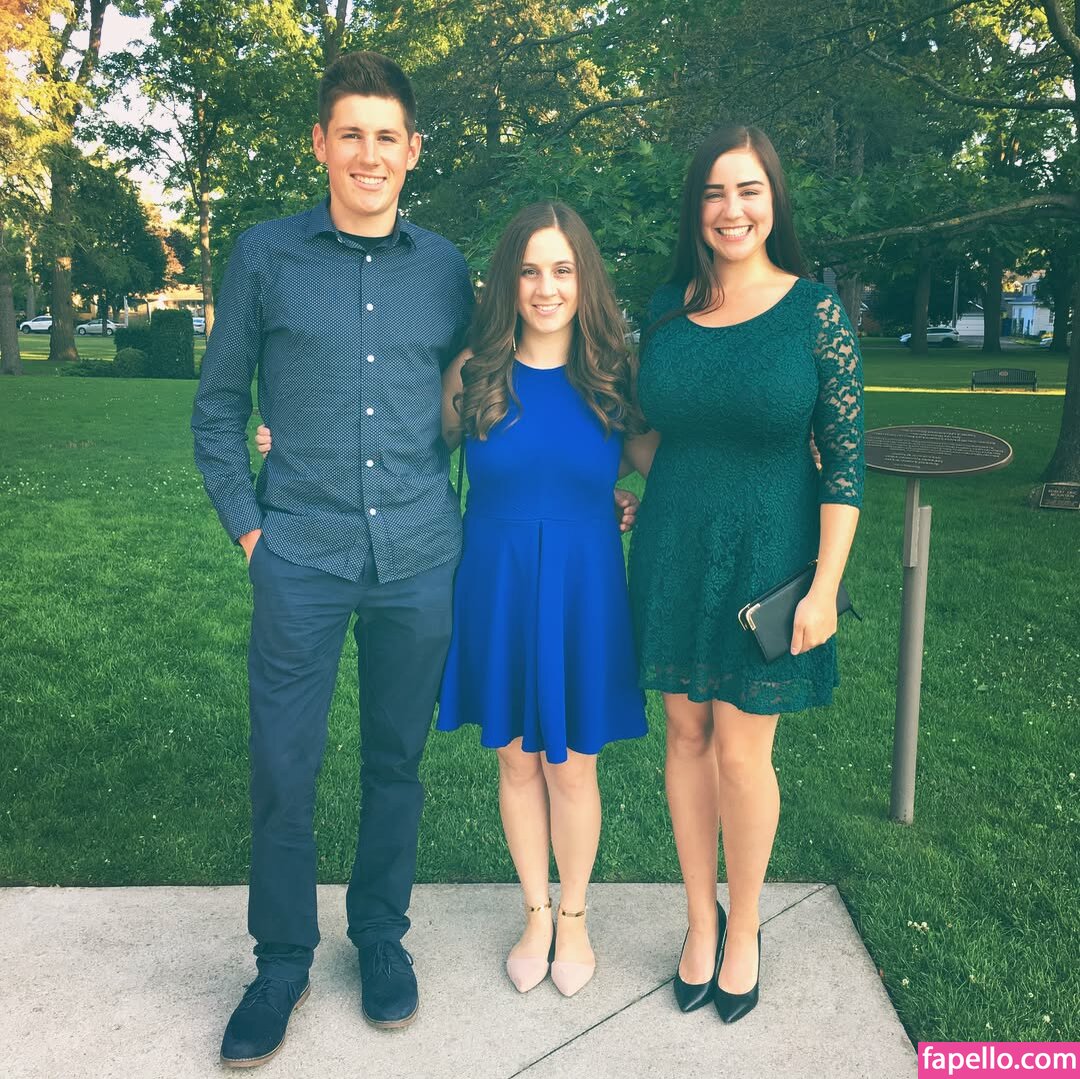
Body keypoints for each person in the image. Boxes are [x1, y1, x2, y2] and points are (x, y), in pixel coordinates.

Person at [257, 202, 648, 998]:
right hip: (496, 580)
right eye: (530, 270)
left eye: (563, 270)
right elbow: (400, 443)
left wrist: (776, 454)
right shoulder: (476, 370)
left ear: (585, 280)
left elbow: (663, 459)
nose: (546, 287)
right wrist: (289, 436)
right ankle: (534, 913)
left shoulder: (612, 373)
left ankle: (575, 916)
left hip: (582, 587)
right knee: (517, 758)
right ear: (508, 281)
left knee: (573, 763)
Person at [192, 52, 475, 1068]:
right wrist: (251, 532)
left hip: (417, 553)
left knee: (397, 760)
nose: (368, 153)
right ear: (320, 143)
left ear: (413, 150)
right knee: (283, 765)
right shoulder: (265, 256)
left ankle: (381, 935)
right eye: (350, 133)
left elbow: (482, 397)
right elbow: (219, 407)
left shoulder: (444, 269)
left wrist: (590, 476)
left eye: (386, 136)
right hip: (300, 553)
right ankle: (281, 960)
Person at [623, 125, 864, 1023]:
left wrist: (826, 585)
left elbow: (845, 464)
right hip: (675, 551)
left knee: (740, 749)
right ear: (696, 208)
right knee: (685, 736)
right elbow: (645, 431)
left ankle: (747, 924)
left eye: (749, 190)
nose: (732, 209)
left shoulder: (815, 315)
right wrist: (645, 487)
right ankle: (700, 919)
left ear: (774, 201)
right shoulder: (667, 311)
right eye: (715, 192)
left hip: (771, 559)